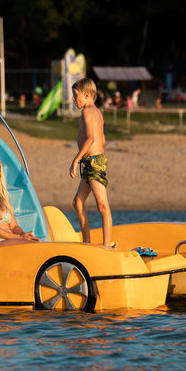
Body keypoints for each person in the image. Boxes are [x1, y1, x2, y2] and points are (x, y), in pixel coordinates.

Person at [69, 78, 115, 249]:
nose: (73, 99)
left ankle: (107, 245)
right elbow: (102, 140)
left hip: (93, 163)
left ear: (87, 95)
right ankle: (87, 242)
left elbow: (92, 139)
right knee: (77, 202)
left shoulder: (87, 113)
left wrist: (76, 159)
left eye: (75, 96)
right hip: (92, 162)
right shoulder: (97, 112)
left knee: (102, 205)